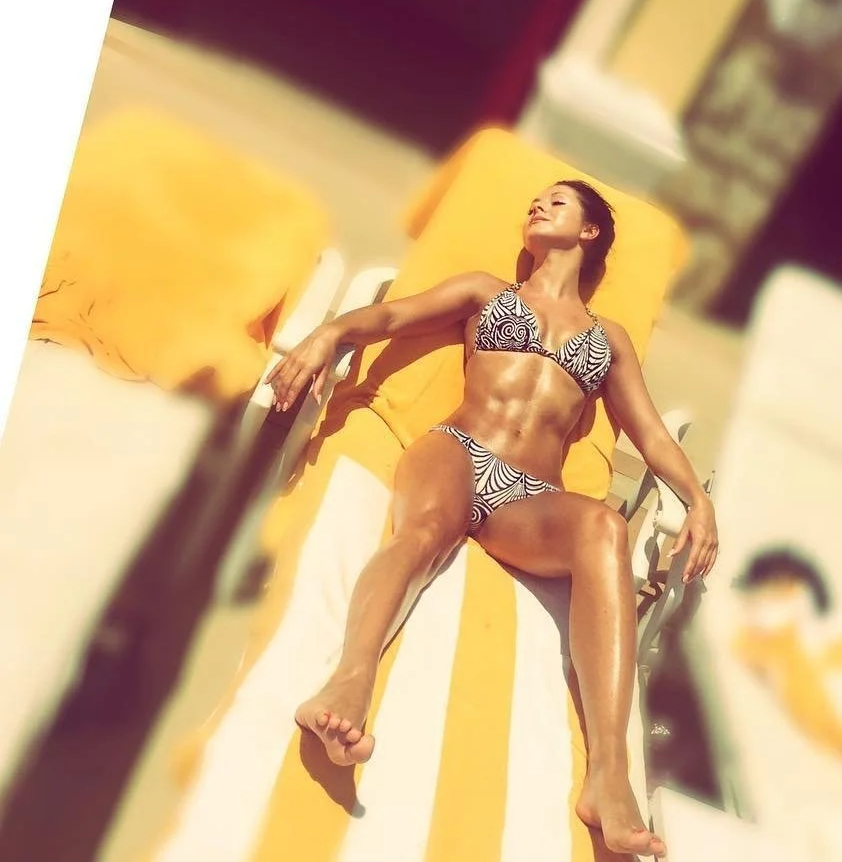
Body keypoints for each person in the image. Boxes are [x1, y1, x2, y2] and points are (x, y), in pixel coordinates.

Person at [267, 179, 719, 859]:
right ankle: (350, 681)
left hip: (527, 499)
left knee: (605, 528)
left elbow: (652, 434)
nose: (537, 204)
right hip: (458, 450)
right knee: (424, 532)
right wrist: (328, 334)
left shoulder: (609, 339)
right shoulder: (486, 293)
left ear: (589, 232)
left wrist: (697, 500)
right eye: (534, 198)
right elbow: (391, 317)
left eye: (557, 202)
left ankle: (607, 774)